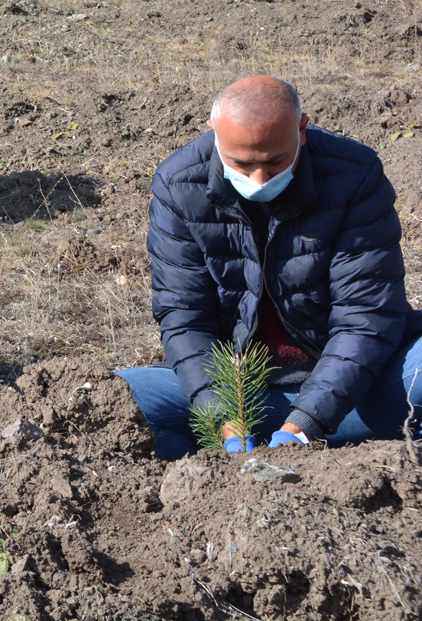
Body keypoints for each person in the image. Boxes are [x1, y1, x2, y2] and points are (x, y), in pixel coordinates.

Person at [119, 76, 422, 459]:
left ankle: (348, 454)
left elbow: (366, 314)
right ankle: (210, 470)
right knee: (115, 403)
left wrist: (307, 422)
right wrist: (223, 414)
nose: (259, 179)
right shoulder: (179, 186)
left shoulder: (353, 175)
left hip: (354, 388)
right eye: (242, 164)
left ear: (302, 130)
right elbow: (185, 317)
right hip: (238, 391)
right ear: (214, 134)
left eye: (276, 161)